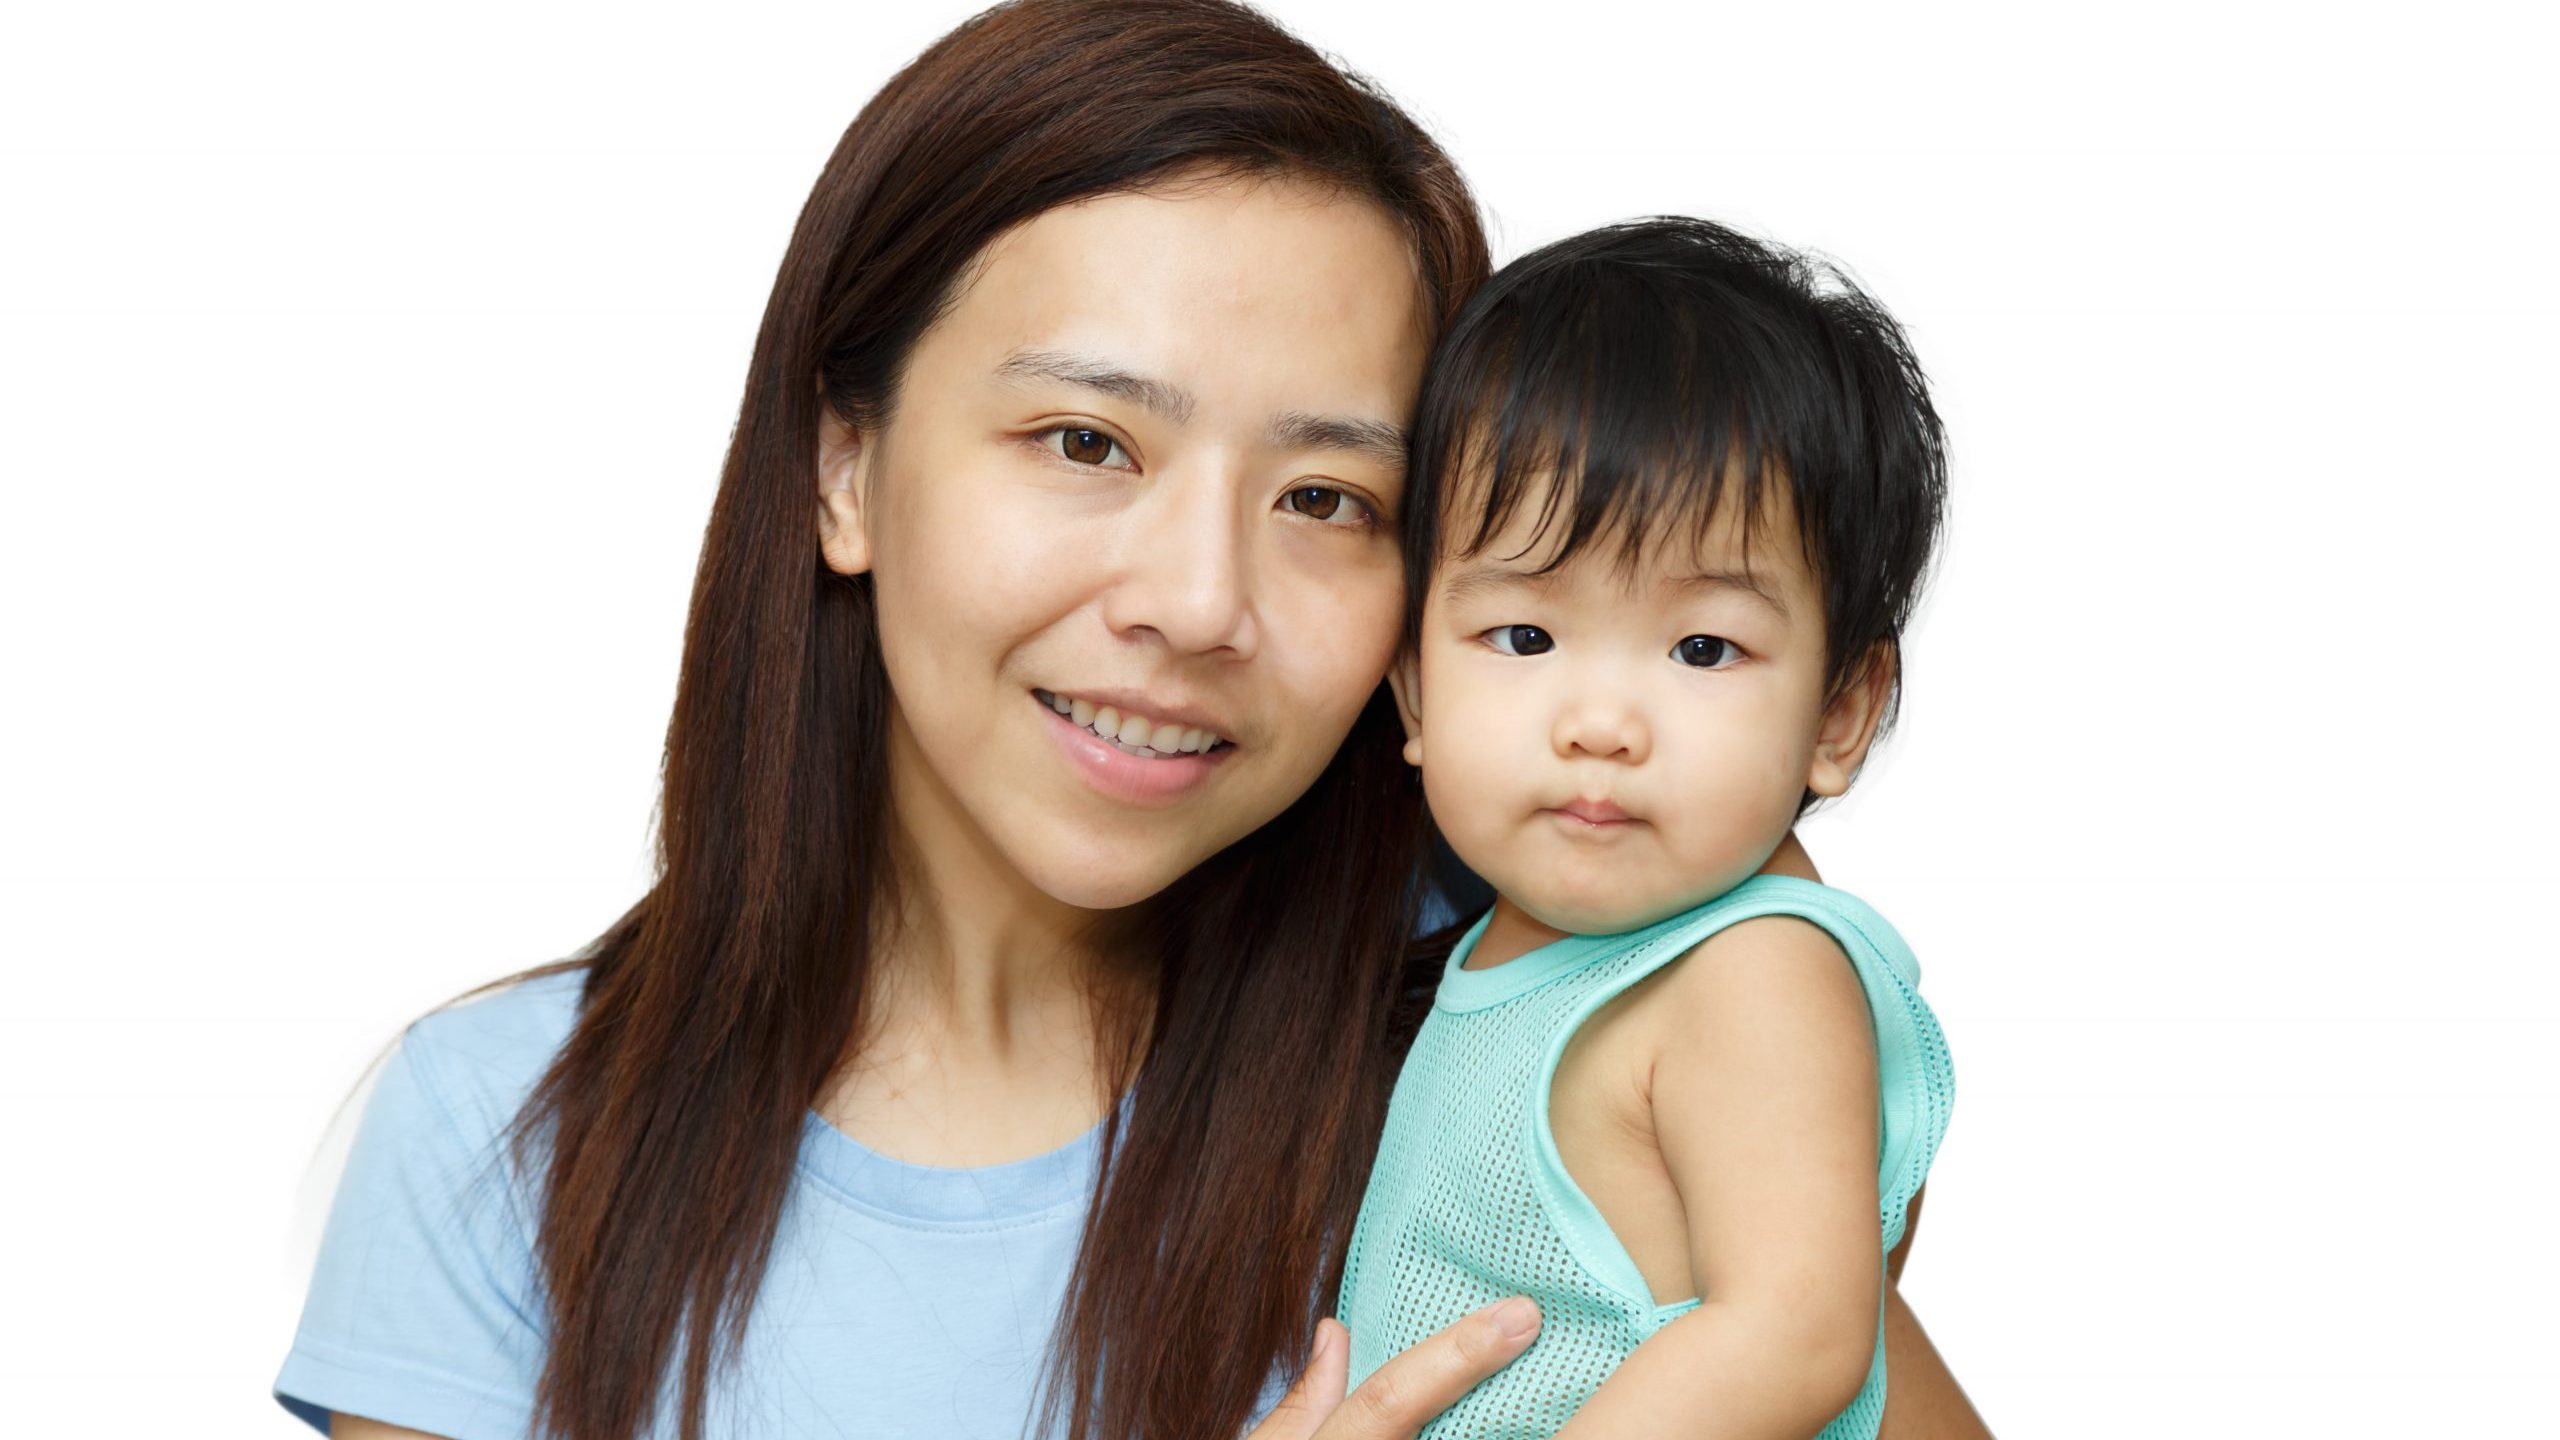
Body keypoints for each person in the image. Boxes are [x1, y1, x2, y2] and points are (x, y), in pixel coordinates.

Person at [270, 4, 1986, 1437]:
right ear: (844, 468)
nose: (1196, 600)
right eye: (1089, 443)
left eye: (1327, 497)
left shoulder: (1545, 1029)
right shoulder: (510, 1144)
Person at [1332, 217, 1959, 1438]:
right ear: (1413, 689)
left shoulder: (1752, 969)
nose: (1602, 722)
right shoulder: (1499, 958)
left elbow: (1793, 1332)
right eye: (1522, 637)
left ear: (1839, 714)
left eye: (1702, 647)